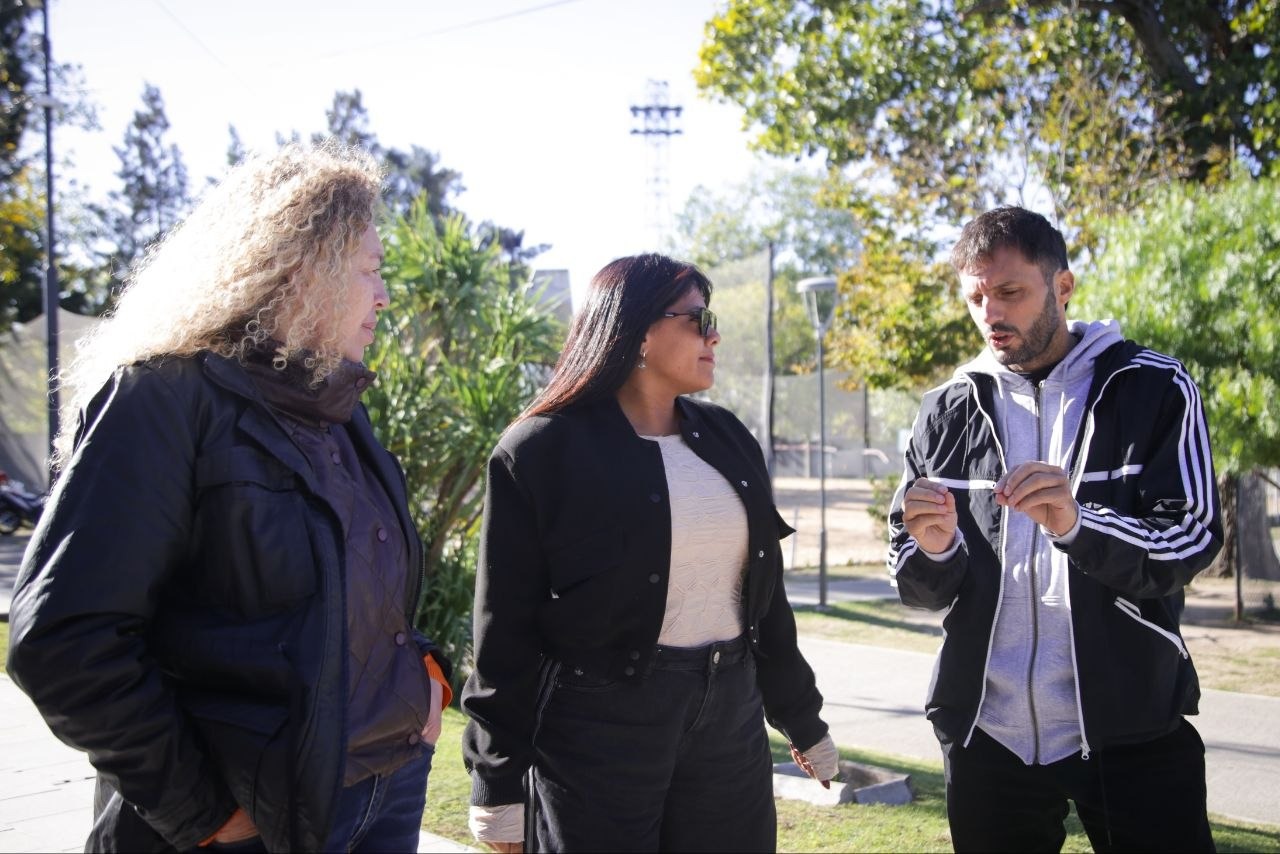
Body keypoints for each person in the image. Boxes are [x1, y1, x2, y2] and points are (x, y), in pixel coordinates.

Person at [6, 142, 452, 853]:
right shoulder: (163, 398)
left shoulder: (340, 409)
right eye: (370, 269)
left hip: (387, 789)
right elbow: (65, 639)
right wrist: (206, 815)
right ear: (300, 270)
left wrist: (427, 677)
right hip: (255, 818)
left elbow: (358, 589)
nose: (384, 294)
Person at [461, 253, 837, 852]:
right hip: (598, 723)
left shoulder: (729, 438)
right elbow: (501, 629)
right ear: (635, 330)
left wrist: (802, 718)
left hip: (730, 713)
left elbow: (766, 600)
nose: (715, 334)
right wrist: (497, 783)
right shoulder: (538, 451)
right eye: (697, 318)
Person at [888, 206, 1222, 852]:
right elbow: (915, 580)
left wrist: (1076, 522)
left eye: (1010, 291)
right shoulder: (943, 410)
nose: (991, 313)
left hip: (1133, 727)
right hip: (988, 733)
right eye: (976, 297)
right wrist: (934, 550)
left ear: (1063, 288)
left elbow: (1192, 537)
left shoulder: (1154, 387)